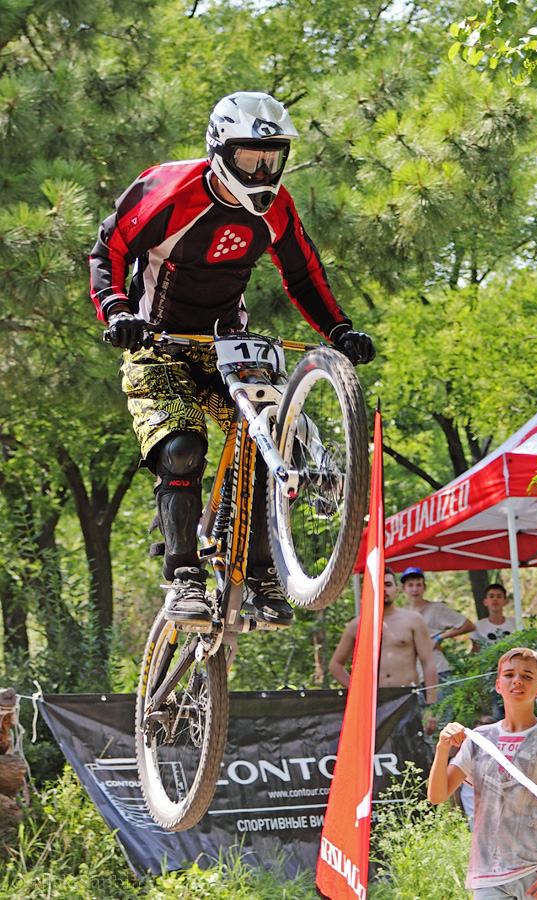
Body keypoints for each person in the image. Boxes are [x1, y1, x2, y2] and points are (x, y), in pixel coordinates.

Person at [90, 91, 375, 629]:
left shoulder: (280, 208)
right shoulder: (168, 189)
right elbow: (109, 247)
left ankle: (262, 573)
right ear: (220, 151)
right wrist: (116, 309)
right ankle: (183, 579)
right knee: (181, 449)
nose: (263, 171)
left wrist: (338, 329)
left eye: (273, 160)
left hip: (227, 345)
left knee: (273, 441)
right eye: (250, 159)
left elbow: (304, 274)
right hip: (155, 344)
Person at [428, 648, 537, 900]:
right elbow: (437, 795)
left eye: (527, 675)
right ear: (498, 685)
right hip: (488, 877)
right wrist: (442, 747)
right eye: (509, 674)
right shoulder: (478, 739)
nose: (517, 680)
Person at [328, 567, 439, 733]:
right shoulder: (357, 625)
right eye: (379, 584)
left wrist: (432, 706)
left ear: (397, 589)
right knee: (377, 755)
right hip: (373, 704)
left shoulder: (413, 620)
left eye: (388, 584)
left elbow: (428, 663)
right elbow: (335, 665)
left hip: (408, 699)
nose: (384, 589)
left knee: (415, 752)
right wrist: (358, 692)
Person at [400, 566, 475, 689]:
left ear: (425, 588)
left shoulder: (437, 609)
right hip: (412, 676)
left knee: (441, 708)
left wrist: (439, 638)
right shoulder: (401, 614)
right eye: (410, 585)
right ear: (403, 589)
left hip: (437, 670)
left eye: (418, 585)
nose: (415, 589)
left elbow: (468, 625)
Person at [471, 583, 516, 654]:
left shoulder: (515, 623)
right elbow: (475, 654)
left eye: (499, 596)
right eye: (491, 596)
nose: (495, 599)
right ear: (485, 602)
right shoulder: (478, 626)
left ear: (505, 601)